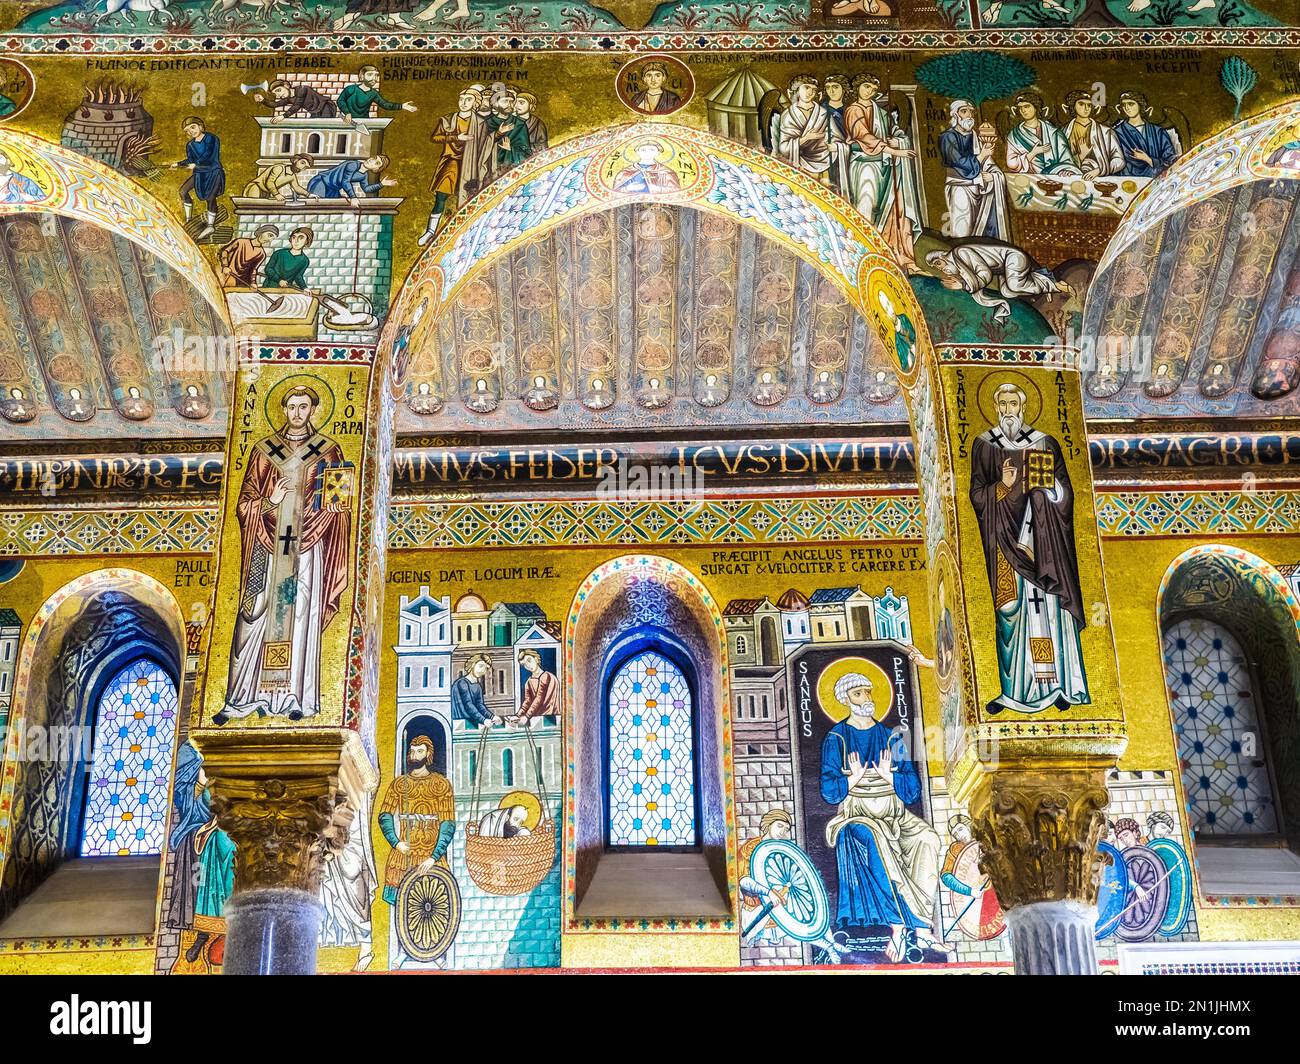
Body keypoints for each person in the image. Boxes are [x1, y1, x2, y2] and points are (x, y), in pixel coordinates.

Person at [214, 385, 352, 722]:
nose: (297, 413)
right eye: (291, 406)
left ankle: (294, 697)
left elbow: (339, 505)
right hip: (266, 544)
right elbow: (243, 504)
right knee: (255, 614)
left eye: (304, 406)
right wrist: (269, 503)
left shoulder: (329, 451)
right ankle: (244, 697)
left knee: (302, 616)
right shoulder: (264, 452)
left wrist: (315, 518)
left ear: (313, 410)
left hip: (308, 547)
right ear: (283, 409)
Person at [968, 381, 1090, 714]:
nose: (1009, 411)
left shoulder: (1044, 443)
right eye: (1003, 404)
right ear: (996, 408)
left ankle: (1061, 686)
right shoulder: (985, 446)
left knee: (1049, 613)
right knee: (1011, 612)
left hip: (1045, 547)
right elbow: (976, 496)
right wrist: (1002, 488)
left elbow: (1066, 493)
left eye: (1014, 404)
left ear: (1022, 407)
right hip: (1005, 545)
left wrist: (1049, 491)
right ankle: (1016, 691)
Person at [819, 670, 943, 961]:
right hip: (858, 814)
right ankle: (898, 928)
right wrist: (854, 778)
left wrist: (890, 778)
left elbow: (911, 790)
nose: (866, 698)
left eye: (868, 691)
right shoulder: (836, 738)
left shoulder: (892, 736)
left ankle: (923, 930)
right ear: (845, 699)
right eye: (858, 693)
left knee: (929, 838)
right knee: (877, 841)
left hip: (895, 813)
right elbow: (829, 791)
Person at [163, 743, 235, 962]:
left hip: (233, 825)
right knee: (216, 846)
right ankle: (204, 931)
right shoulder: (197, 759)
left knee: (228, 845)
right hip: (214, 825)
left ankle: (224, 927)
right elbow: (200, 804)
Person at [844, 73, 921, 270]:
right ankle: (861, 253)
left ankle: (896, 254)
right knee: (866, 204)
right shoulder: (853, 110)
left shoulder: (881, 112)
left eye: (872, 88)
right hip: (865, 164)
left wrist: (899, 140)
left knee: (895, 207)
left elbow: (894, 131)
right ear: (857, 89)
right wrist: (895, 150)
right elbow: (864, 136)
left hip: (885, 164)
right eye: (865, 86)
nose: (869, 91)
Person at [378, 735, 455, 904]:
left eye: (420, 751)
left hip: (431, 857)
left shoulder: (441, 784)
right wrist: (396, 843)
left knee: (435, 905)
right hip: (403, 854)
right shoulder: (399, 784)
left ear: (428, 754)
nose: (415, 756)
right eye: (412, 751)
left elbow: (448, 824)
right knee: (401, 905)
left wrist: (433, 857)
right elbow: (385, 815)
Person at [926, 241, 1069, 322]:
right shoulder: (958, 261)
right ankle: (1043, 283)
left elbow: (985, 274)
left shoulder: (960, 253)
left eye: (939, 264)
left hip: (1013, 258)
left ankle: (1054, 284)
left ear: (943, 257)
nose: (942, 269)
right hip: (1003, 269)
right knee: (1007, 292)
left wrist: (963, 285)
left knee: (1015, 285)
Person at [940, 99, 1010, 241]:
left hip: (979, 188)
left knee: (979, 230)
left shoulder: (974, 136)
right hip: (960, 187)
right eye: (964, 111)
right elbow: (959, 162)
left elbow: (988, 163)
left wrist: (994, 175)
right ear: (955, 115)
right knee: (963, 229)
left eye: (971, 112)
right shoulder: (948, 137)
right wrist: (982, 155)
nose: (969, 115)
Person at [170, 116, 226, 240]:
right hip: (199, 173)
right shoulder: (190, 145)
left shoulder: (211, 138)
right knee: (183, 191)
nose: (191, 131)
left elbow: (210, 155)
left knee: (211, 198)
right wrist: (179, 164)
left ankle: (210, 225)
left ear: (200, 126)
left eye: (193, 127)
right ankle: (189, 219)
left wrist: (196, 164)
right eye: (188, 130)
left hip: (213, 171)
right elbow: (190, 159)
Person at [775, 74, 834, 185]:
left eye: (813, 89)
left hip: (823, 162)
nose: (810, 92)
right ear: (797, 90)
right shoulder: (789, 115)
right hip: (800, 163)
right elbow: (784, 147)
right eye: (806, 88)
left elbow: (835, 138)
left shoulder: (823, 113)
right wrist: (806, 138)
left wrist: (833, 144)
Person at [1005, 92, 1080, 177]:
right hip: (1029, 178)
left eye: (1026, 106)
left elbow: (1066, 159)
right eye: (1020, 107)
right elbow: (1011, 164)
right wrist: (1033, 153)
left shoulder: (1053, 132)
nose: (1023, 110)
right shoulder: (1014, 135)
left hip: (1054, 177)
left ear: (1036, 108)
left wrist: (1066, 170)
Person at [1113, 91, 1180, 178]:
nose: (1127, 108)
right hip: (1127, 180)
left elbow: (1171, 160)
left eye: (1131, 104)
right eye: (1124, 105)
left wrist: (1148, 159)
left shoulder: (1158, 132)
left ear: (1140, 105)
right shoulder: (1117, 132)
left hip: (1155, 180)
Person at [1062, 90, 1124, 179]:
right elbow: (1058, 159)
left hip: (1099, 179)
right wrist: (1078, 158)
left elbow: (1119, 161)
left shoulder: (1106, 132)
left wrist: (1099, 170)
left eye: (1089, 105)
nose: (1086, 108)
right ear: (1073, 106)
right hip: (1071, 178)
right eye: (1081, 104)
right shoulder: (1063, 132)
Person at [336, 65, 417, 122]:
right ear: (362, 76)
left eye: (376, 75)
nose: (374, 78)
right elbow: (340, 101)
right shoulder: (351, 89)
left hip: (363, 122)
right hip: (347, 121)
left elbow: (385, 104)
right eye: (370, 75)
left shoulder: (374, 93)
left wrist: (402, 106)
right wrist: (347, 113)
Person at [307, 154, 396, 205]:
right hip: (321, 183)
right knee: (316, 205)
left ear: (376, 169)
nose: (371, 160)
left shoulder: (364, 175)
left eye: (376, 162)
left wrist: (382, 184)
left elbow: (366, 189)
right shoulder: (353, 165)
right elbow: (345, 181)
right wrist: (353, 197)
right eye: (374, 158)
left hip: (333, 189)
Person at [216, 224, 278, 289]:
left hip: (245, 282)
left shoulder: (262, 254)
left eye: (272, 239)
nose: (269, 240)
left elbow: (254, 269)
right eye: (269, 235)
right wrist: (225, 266)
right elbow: (225, 251)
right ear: (262, 232)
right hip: (231, 275)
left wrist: (253, 283)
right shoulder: (241, 242)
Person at [451, 652, 500, 728]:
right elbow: (468, 705)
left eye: (486, 668)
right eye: (481, 666)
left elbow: (480, 705)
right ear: (473, 665)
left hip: (472, 720)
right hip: (461, 722)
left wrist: (492, 717)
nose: (482, 670)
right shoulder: (462, 683)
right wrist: (483, 720)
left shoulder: (477, 686)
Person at [612, 140, 681, 194]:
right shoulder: (625, 172)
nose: (647, 152)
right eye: (643, 150)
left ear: (658, 152)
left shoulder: (666, 172)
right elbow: (613, 193)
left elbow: (677, 191)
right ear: (637, 152)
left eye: (652, 149)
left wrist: (658, 189)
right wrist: (628, 188)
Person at [512, 647, 558, 724]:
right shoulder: (528, 682)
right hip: (536, 717)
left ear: (536, 659)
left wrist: (527, 716)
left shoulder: (546, 676)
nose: (528, 665)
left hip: (549, 717)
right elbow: (527, 701)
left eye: (529, 661)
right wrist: (518, 715)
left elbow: (539, 698)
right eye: (524, 664)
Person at [242, 154, 313, 201]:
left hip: (266, 193)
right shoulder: (279, 168)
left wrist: (308, 194)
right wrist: (276, 194)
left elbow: (297, 187)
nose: (302, 167)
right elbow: (269, 182)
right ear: (295, 160)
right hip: (256, 187)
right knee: (252, 208)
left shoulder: (292, 176)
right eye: (302, 163)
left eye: (305, 167)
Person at [263, 79, 338, 120]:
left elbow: (297, 106)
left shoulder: (302, 89)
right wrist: (263, 100)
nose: (278, 95)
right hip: (315, 112)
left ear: (286, 85)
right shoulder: (289, 98)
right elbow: (275, 104)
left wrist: (283, 116)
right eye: (276, 94)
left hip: (326, 107)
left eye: (279, 90)